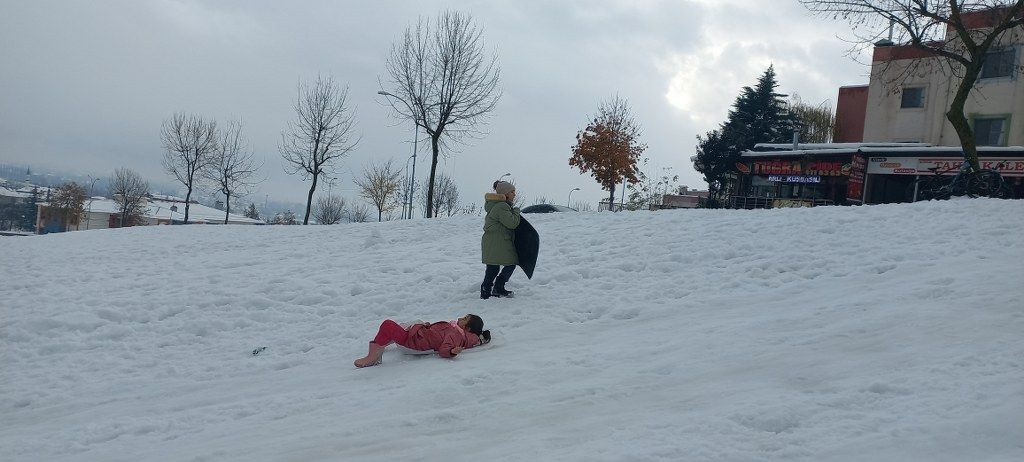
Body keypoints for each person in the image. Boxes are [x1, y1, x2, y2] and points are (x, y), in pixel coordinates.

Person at [353, 314, 491, 368]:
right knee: (407, 323)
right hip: (419, 335)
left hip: (414, 342)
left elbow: (444, 349)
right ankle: (384, 340)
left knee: (388, 325)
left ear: (467, 328)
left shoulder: (456, 335)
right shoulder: (454, 329)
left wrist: (452, 351)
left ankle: (374, 357)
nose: (461, 317)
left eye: (465, 319)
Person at [481, 180, 521, 299]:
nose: (515, 194)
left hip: (494, 242)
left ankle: (487, 290)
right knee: (510, 264)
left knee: (493, 267)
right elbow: (512, 223)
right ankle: (496, 288)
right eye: (512, 192)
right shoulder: (502, 206)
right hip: (497, 242)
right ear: (506, 193)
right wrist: (516, 211)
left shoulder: (496, 205)